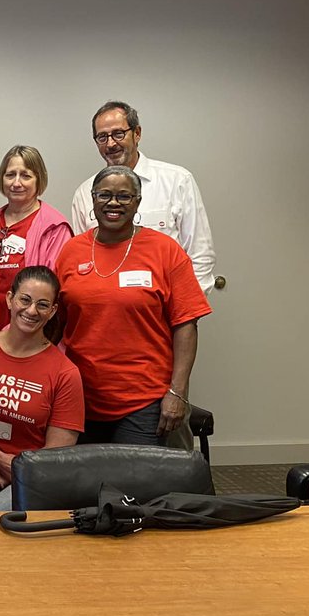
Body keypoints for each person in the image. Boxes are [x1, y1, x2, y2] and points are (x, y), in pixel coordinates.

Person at [57, 166, 212, 446]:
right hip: (82, 398)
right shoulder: (71, 251)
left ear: (138, 202)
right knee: (86, 484)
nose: (113, 203)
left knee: (133, 486)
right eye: (104, 194)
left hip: (144, 400)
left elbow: (186, 324)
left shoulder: (165, 251)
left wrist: (177, 393)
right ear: (93, 200)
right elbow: (56, 322)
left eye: (124, 196)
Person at [0, 266, 84, 510]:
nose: (31, 311)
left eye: (42, 305)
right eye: (24, 300)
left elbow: (53, 458)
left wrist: (1, 477)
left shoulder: (66, 374)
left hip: (28, 475)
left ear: (53, 311)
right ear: (9, 299)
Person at [70, 101, 216, 293]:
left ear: (137, 133)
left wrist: (184, 312)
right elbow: (82, 257)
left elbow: (200, 255)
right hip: (104, 312)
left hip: (163, 314)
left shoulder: (177, 181)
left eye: (118, 134)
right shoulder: (85, 192)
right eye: (102, 137)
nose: (111, 143)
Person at [0, 145, 72, 334]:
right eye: (10, 175)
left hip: (31, 336)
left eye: (26, 175)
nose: (16, 183)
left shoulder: (55, 228)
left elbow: (51, 293)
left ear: (38, 179)